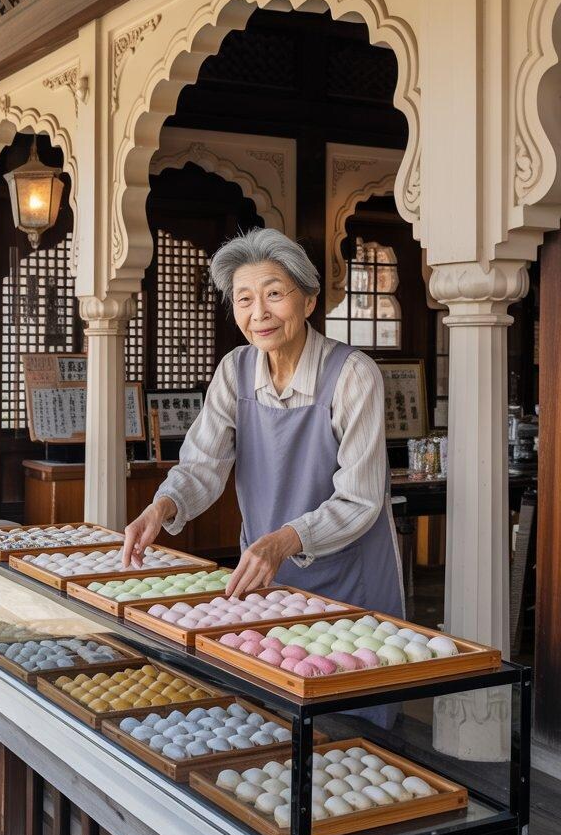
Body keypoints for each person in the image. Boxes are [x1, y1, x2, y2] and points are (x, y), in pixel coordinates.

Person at [122, 227, 404, 620]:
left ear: (308, 301)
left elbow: (360, 500)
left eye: (274, 294)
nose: (259, 314)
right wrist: (161, 506)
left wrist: (283, 542)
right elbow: (202, 465)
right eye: (244, 299)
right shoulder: (235, 371)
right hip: (265, 580)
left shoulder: (352, 375)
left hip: (348, 583)